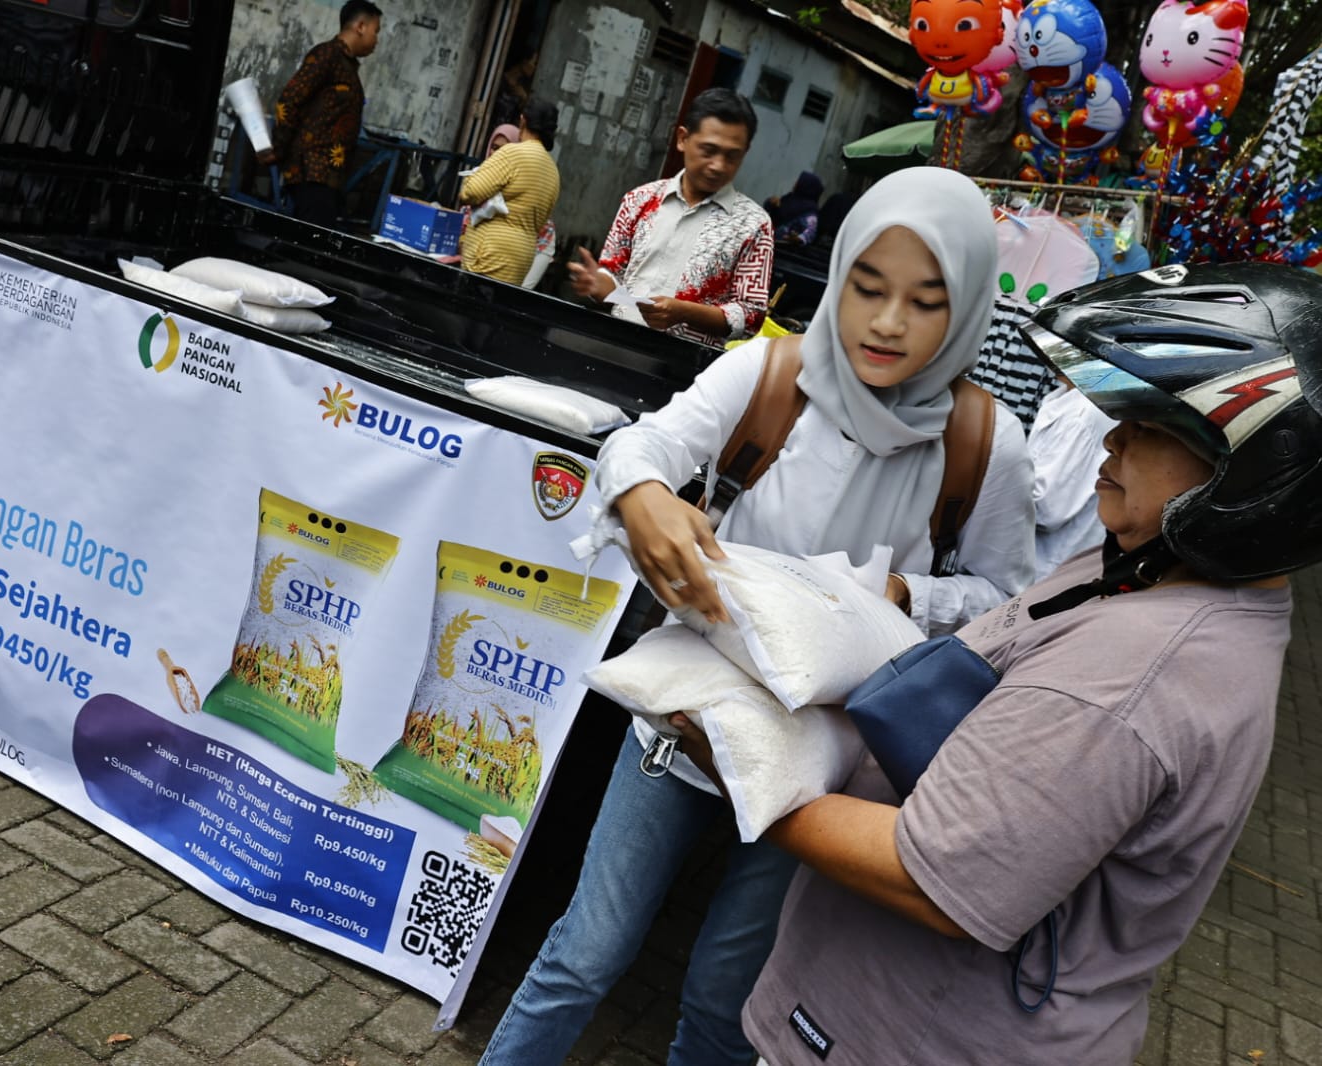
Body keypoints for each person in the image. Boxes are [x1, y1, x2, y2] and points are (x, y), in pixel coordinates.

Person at [480, 167, 1036, 1066]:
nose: (887, 323)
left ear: (967, 308)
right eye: (866, 286)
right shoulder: (772, 372)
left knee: (724, 1000)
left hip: (827, 759)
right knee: (586, 951)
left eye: (926, 301)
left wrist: (908, 596)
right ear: (838, 275)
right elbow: (644, 442)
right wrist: (644, 493)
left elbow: (1009, 603)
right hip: (688, 713)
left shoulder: (983, 444)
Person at [720, 260, 1320, 1064]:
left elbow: (930, 880)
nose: (1111, 439)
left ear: (1257, 474)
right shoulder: (1139, 565)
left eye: (1152, 427)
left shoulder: (1131, 676)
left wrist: (742, 759)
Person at [566, 89, 774, 349]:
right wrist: (598, 283)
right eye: (708, 151)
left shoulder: (754, 224)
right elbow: (613, 274)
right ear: (682, 139)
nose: (718, 165)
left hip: (685, 362)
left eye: (732, 156)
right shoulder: (639, 200)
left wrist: (684, 312)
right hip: (614, 343)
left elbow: (751, 314)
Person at [262, 0, 382, 228]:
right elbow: (290, 100)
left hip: (328, 177)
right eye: (376, 31)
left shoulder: (348, 66)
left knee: (309, 238)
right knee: (305, 239)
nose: (377, 40)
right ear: (360, 26)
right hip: (312, 172)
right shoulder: (327, 55)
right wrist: (278, 148)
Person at [459, 98, 561, 286]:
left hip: (490, 253)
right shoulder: (552, 171)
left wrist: (472, 177)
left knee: (474, 300)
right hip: (521, 258)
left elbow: (470, 193)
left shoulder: (512, 153)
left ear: (523, 120)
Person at [1029, 374, 1116, 579]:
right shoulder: (1069, 400)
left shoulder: (1082, 413)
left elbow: (1047, 510)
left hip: (1046, 564)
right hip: (1047, 562)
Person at [765, 171, 823, 246]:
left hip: (782, 247)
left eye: (799, 181)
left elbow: (810, 232)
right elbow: (772, 212)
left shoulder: (810, 211)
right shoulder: (789, 198)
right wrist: (771, 203)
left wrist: (798, 238)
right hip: (767, 238)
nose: (795, 183)